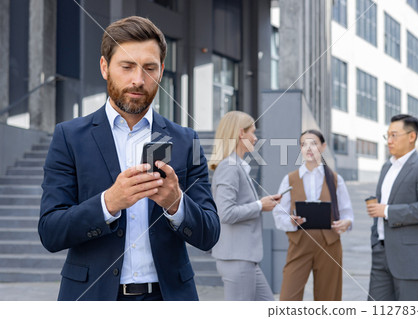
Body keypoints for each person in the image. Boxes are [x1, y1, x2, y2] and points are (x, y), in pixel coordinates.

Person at [38, 16, 220, 301]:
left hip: (168, 298)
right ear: (104, 68)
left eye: (149, 68)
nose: (138, 79)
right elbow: (50, 231)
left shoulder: (186, 140)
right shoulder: (69, 137)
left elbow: (209, 233)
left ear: (161, 71)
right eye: (127, 67)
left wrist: (176, 204)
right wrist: (108, 203)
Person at [367, 114, 418, 301]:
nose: (389, 141)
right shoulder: (387, 167)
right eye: (387, 136)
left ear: (411, 136)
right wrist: (375, 241)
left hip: (410, 258)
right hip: (381, 254)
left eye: (394, 135)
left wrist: (387, 211)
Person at [273, 129, 354, 301]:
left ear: (323, 147)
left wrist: (345, 223)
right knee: (289, 297)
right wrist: (291, 221)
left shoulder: (335, 179)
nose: (309, 148)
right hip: (299, 244)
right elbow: (278, 214)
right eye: (304, 144)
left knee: (328, 298)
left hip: (329, 244)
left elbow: (347, 213)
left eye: (314, 143)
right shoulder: (290, 179)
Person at [209, 111, 280, 301]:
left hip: (244, 259)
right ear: (241, 133)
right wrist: (259, 205)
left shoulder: (237, 166)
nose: (255, 138)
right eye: (252, 132)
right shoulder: (229, 167)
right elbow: (226, 213)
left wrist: (261, 204)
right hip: (236, 259)